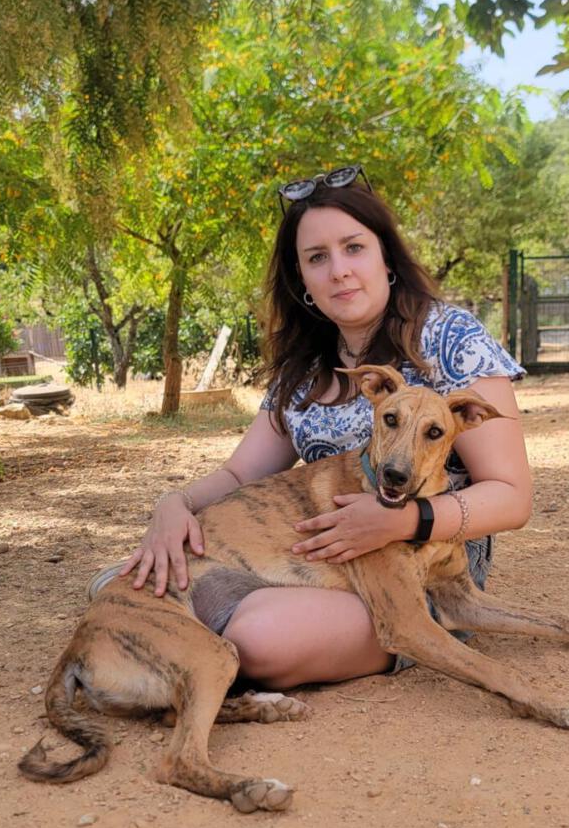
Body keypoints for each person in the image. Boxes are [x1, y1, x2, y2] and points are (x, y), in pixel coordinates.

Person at [119, 167, 531, 690]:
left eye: (353, 248)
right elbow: (241, 474)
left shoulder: (451, 336)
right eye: (317, 258)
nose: (339, 271)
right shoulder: (304, 369)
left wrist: (403, 521)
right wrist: (173, 504)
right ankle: (203, 651)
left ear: (386, 257)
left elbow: (511, 496)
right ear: (303, 282)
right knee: (129, 588)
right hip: (324, 565)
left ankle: (221, 653)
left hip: (423, 564)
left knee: (261, 640)